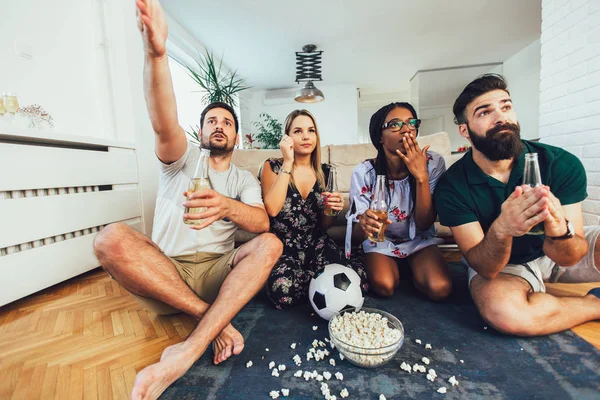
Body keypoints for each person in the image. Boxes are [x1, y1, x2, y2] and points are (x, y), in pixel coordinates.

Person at [92, 1, 282, 398]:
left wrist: (227, 206)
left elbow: (263, 223)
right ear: (200, 131)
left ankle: (185, 351)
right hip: (165, 276)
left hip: (217, 275)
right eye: (212, 120)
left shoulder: (243, 178)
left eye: (227, 122)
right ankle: (211, 323)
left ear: (236, 137)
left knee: (271, 243)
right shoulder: (181, 160)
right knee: (108, 238)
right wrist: (157, 54)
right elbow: (162, 121)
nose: (219, 125)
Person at [434, 73, 600, 336]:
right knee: (507, 314)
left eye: (506, 106)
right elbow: (485, 266)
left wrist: (559, 229)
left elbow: (571, 254)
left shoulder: (560, 163)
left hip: (559, 246)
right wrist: (502, 229)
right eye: (484, 112)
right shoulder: (452, 186)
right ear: (465, 130)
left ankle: (549, 304)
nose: (501, 117)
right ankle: (594, 304)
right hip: (507, 266)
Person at [259, 109, 368, 308]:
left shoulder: (325, 172)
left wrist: (332, 210)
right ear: (287, 137)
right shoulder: (272, 166)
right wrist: (288, 162)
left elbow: (325, 225)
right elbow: (273, 209)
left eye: (311, 130)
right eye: (298, 131)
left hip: (316, 242)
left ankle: (315, 283)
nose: (306, 136)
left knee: (360, 280)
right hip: (283, 246)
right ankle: (319, 283)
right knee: (283, 293)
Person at [346, 102, 452, 300]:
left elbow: (424, 223)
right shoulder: (365, 172)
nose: (406, 129)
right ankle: (397, 267)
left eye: (411, 123)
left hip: (419, 238)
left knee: (440, 289)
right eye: (395, 124)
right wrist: (364, 221)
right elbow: (358, 233)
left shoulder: (433, 163)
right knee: (384, 286)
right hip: (382, 240)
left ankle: (414, 267)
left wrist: (421, 177)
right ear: (380, 136)